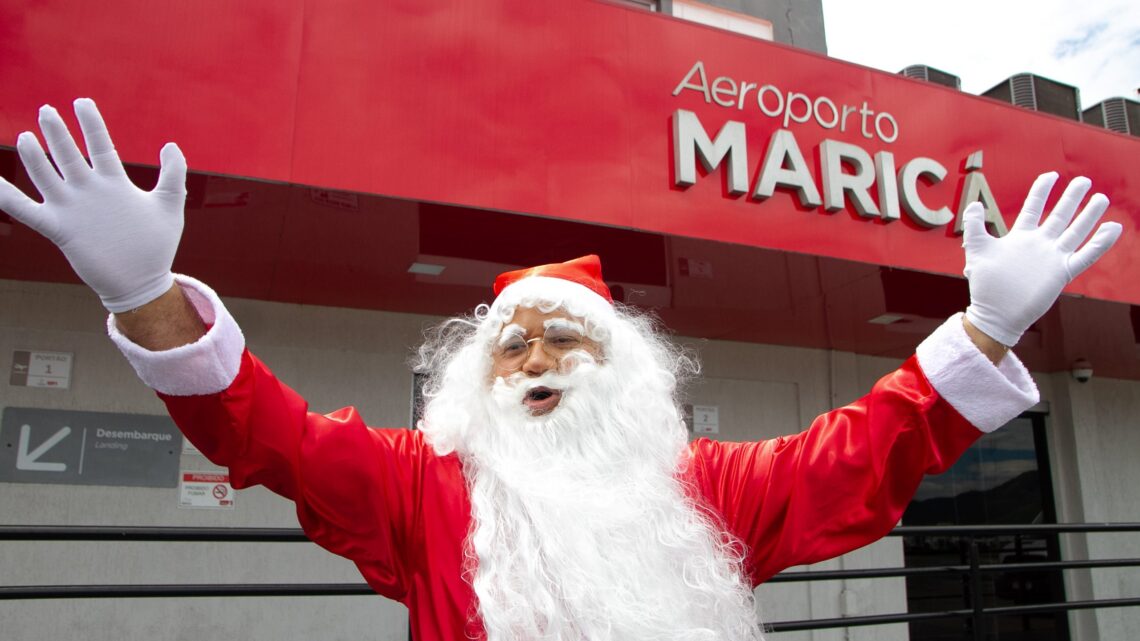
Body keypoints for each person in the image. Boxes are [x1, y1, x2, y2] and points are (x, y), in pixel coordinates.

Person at [0, 99, 1123, 640]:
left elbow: (873, 448)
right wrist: (140, 295)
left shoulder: (714, 492)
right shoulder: (419, 487)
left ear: (619, 369)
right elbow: (271, 435)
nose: (533, 360)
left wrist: (985, 326)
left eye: (562, 339)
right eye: (512, 345)